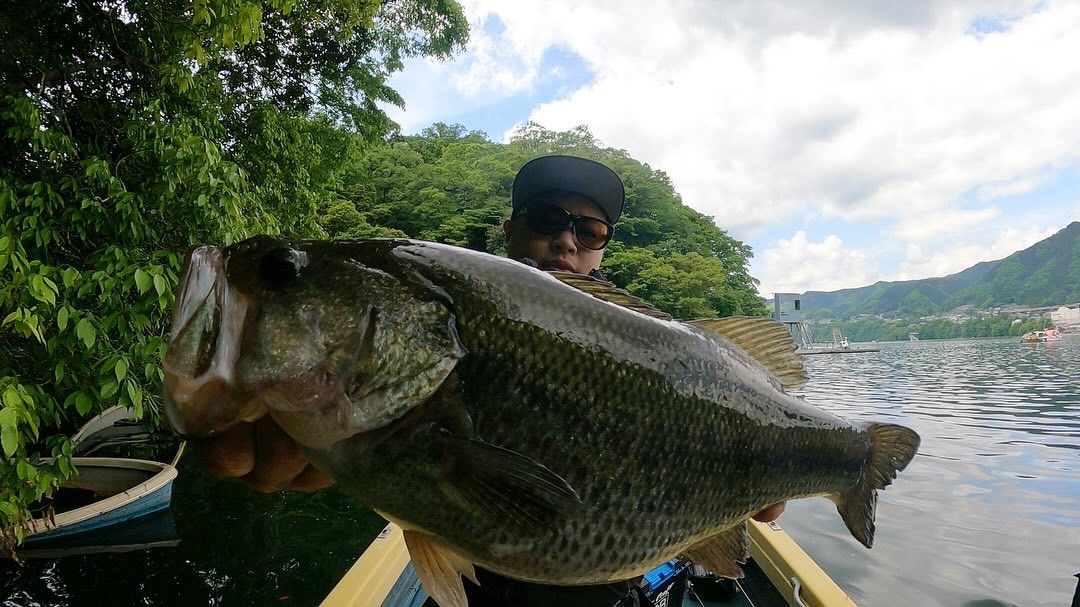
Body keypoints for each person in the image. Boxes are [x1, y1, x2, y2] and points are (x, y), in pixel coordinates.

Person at [197, 154, 784, 605]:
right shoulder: (444, 307)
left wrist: (758, 475)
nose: (567, 240)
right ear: (508, 229)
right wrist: (331, 444)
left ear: (604, 250)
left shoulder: (674, 355)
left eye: (591, 231)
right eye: (548, 220)